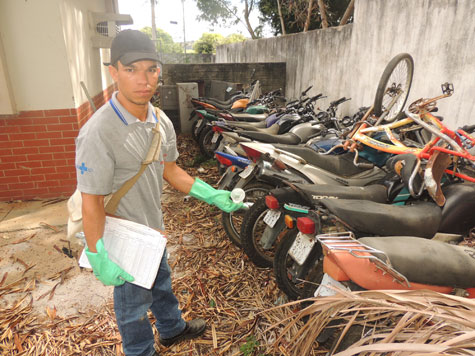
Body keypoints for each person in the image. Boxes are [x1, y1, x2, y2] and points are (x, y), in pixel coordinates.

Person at [75, 29, 242, 356]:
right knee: (133, 309)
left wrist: (212, 194)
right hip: (123, 238)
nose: (144, 79)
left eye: (151, 69)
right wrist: (98, 254)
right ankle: (140, 351)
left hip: (153, 231)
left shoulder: (160, 121)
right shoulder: (97, 132)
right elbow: (91, 201)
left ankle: (171, 329)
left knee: (162, 283)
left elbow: (170, 170)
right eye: (131, 69)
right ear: (114, 72)